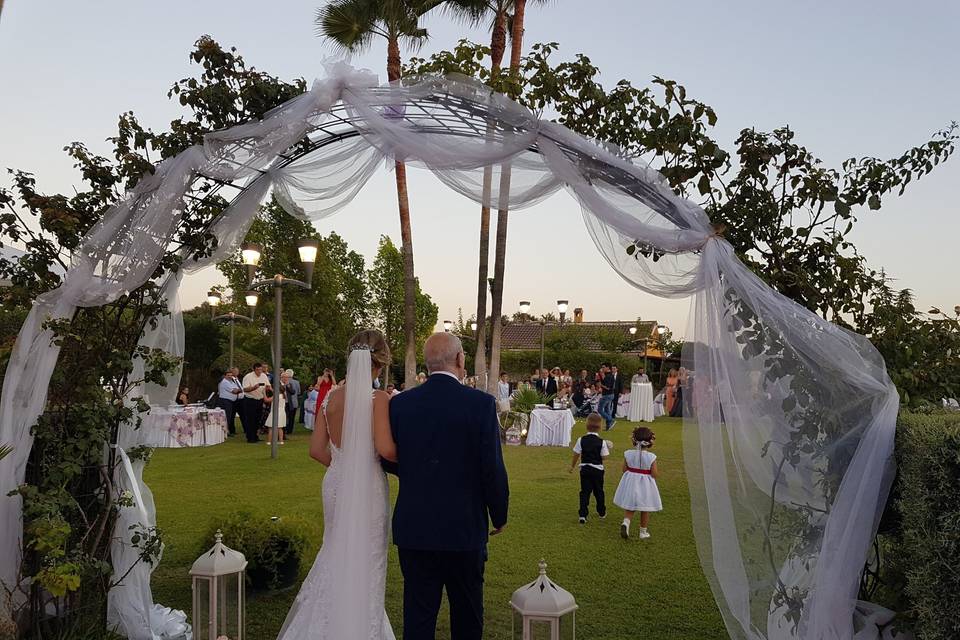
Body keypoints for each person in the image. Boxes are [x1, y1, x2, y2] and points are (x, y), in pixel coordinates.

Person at [385, 332, 509, 640]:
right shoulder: (480, 404)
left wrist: (418, 471)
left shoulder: (400, 404)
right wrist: (499, 513)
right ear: (460, 360)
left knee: (418, 615)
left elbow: (387, 458)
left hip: (415, 526)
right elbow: (491, 466)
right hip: (464, 527)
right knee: (467, 614)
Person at [278, 329, 398, 639]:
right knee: (367, 561)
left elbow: (316, 450)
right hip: (368, 486)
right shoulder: (378, 398)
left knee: (333, 551)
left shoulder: (330, 396)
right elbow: (386, 449)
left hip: (335, 483)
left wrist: (346, 467)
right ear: (380, 363)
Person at [614, 426, 662, 539]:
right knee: (645, 508)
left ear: (634, 440)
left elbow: (624, 469)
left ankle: (626, 522)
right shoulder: (651, 457)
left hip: (631, 482)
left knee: (630, 506)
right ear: (650, 441)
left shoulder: (628, 454)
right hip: (646, 485)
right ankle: (643, 532)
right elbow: (654, 473)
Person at [568, 413, 610, 524]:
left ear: (586, 425)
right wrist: (607, 447)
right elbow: (604, 457)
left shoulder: (581, 440)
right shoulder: (602, 442)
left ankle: (582, 514)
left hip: (585, 469)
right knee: (599, 491)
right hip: (597, 470)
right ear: (600, 427)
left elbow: (576, 454)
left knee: (585, 492)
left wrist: (572, 466)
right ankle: (601, 511)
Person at [241, 362, 271, 443]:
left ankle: (255, 436)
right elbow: (245, 389)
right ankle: (250, 438)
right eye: (257, 370)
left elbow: (267, 386)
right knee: (250, 419)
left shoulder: (264, 376)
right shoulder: (248, 377)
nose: (259, 372)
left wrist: (269, 388)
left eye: (261, 370)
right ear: (254, 369)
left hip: (260, 400)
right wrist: (253, 388)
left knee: (258, 419)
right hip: (250, 400)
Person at [217, 368, 243, 436]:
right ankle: (225, 432)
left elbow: (237, 389)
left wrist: (238, 390)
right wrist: (240, 390)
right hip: (225, 401)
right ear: (225, 376)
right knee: (226, 417)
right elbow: (235, 391)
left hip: (230, 402)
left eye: (231, 375)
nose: (230, 376)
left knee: (229, 417)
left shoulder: (231, 382)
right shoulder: (225, 382)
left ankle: (227, 431)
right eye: (228, 375)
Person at [598, 364, 617, 430]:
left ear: (607, 367)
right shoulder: (609, 375)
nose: (602, 368)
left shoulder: (608, 376)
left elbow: (608, 387)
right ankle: (608, 426)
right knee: (607, 410)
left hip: (607, 395)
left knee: (600, 410)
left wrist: (601, 385)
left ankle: (611, 420)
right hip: (610, 395)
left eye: (603, 367)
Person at [282, 369, 301, 436]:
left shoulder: (289, 383)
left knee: (287, 416)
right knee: (291, 417)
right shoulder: (297, 382)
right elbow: (299, 392)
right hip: (292, 402)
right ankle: (289, 429)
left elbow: (294, 392)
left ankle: (286, 429)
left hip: (289, 401)